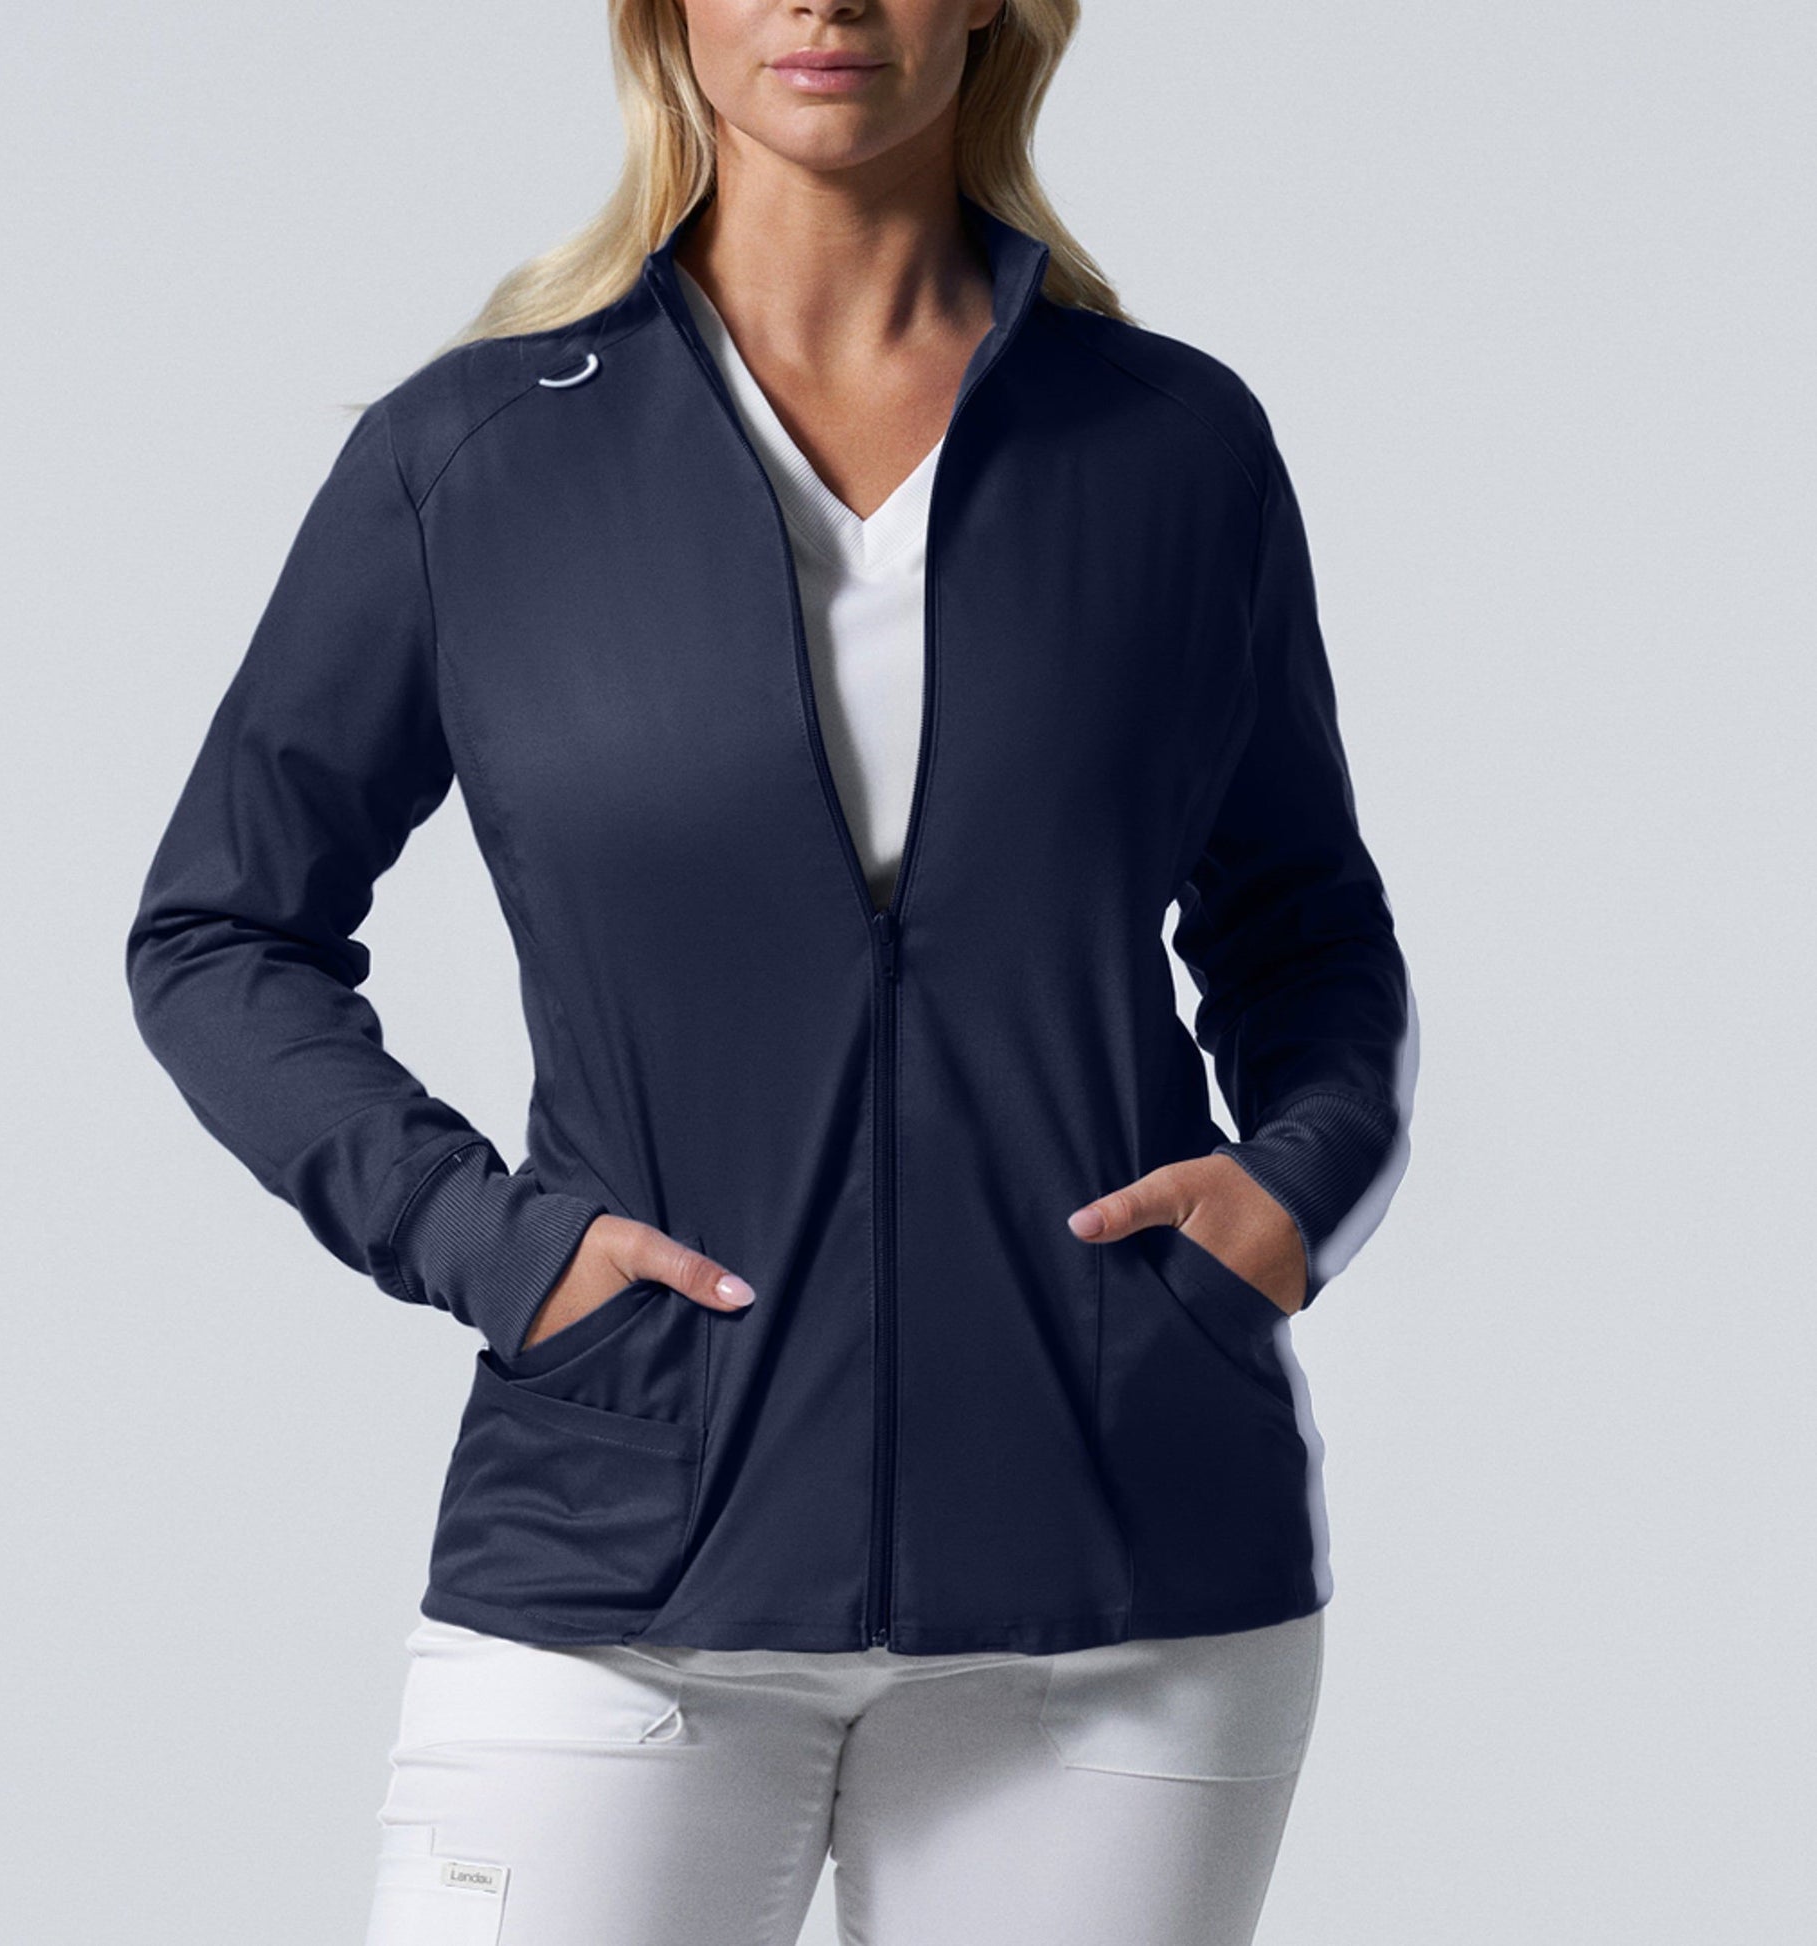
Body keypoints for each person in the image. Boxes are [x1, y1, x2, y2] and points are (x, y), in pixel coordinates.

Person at [124, 1, 1418, 1940]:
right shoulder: (472, 459)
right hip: (621, 1540)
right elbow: (222, 929)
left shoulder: (1172, 449)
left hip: (1124, 1567)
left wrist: (1296, 1189)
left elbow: (1302, 925)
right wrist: (493, 1245)